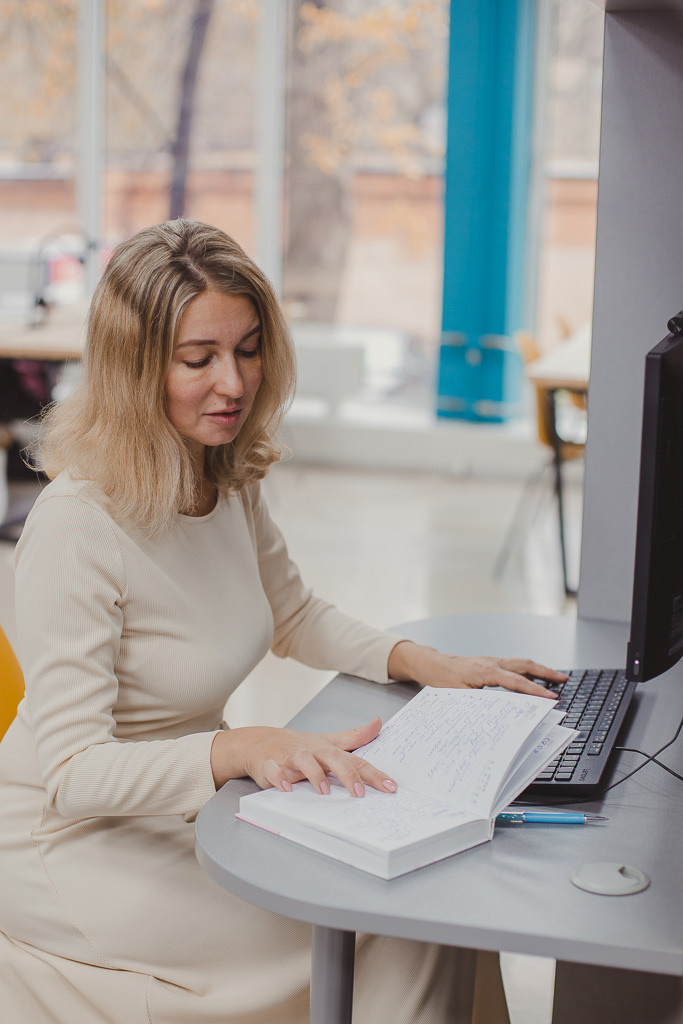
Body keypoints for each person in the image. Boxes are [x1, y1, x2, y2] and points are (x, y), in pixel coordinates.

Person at [0, 219, 565, 1024]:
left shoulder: (219, 475)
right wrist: (241, 747)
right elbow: (74, 774)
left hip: (190, 805)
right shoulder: (77, 526)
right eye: (198, 359)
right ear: (134, 367)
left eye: (248, 349)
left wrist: (427, 662)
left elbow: (291, 612)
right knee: (393, 921)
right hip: (75, 844)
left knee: (434, 895)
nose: (232, 383)